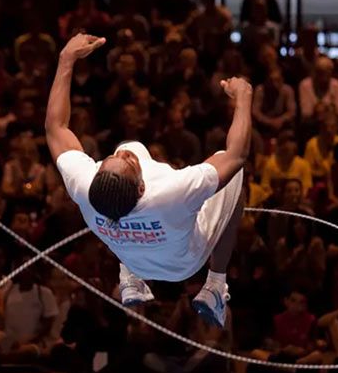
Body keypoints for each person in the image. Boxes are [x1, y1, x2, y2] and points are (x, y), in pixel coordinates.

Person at [45, 33, 253, 328]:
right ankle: (216, 287)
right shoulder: (172, 193)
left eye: (111, 162)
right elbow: (236, 154)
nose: (128, 158)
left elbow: (55, 127)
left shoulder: (84, 187)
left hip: (137, 258)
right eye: (129, 166)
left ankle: (130, 277)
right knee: (233, 174)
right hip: (186, 261)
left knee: (131, 145)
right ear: (142, 189)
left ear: (97, 177)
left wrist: (66, 59)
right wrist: (243, 97)